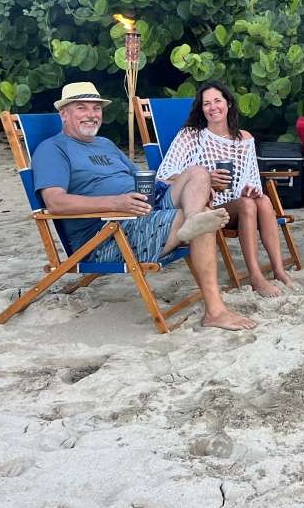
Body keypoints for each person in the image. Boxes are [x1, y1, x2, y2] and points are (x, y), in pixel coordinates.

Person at [32, 81, 253, 330]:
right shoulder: (52, 149)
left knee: (198, 172)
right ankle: (215, 311)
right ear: (64, 114)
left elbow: (145, 180)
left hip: (144, 209)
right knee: (204, 218)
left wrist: (193, 185)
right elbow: (55, 202)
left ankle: (192, 218)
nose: (91, 114)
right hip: (110, 232)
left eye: (96, 108)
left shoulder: (105, 144)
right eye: (82, 108)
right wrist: (116, 202)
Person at [157, 81, 295, 299]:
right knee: (248, 204)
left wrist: (251, 189)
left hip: (236, 204)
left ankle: (278, 270)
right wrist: (205, 179)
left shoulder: (245, 139)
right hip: (207, 208)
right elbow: (164, 174)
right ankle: (256, 276)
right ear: (201, 109)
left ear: (228, 103)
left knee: (263, 200)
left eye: (217, 101)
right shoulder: (191, 135)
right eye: (206, 103)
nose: (212, 107)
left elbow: (252, 179)